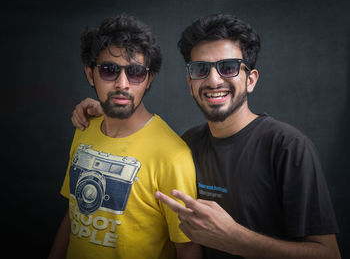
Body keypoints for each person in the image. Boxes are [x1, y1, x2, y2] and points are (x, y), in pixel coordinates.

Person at [71, 13, 341, 259]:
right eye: (201, 69)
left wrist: (236, 239)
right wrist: (107, 109)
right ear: (190, 83)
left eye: (228, 67)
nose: (213, 80)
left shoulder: (287, 147)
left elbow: (329, 254)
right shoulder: (188, 144)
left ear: (251, 79)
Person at [49, 14, 201, 259]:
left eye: (136, 73)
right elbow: (73, 212)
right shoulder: (85, 128)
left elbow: (188, 248)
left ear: (149, 79)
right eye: (109, 70)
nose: (122, 83)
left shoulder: (172, 155)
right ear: (90, 74)